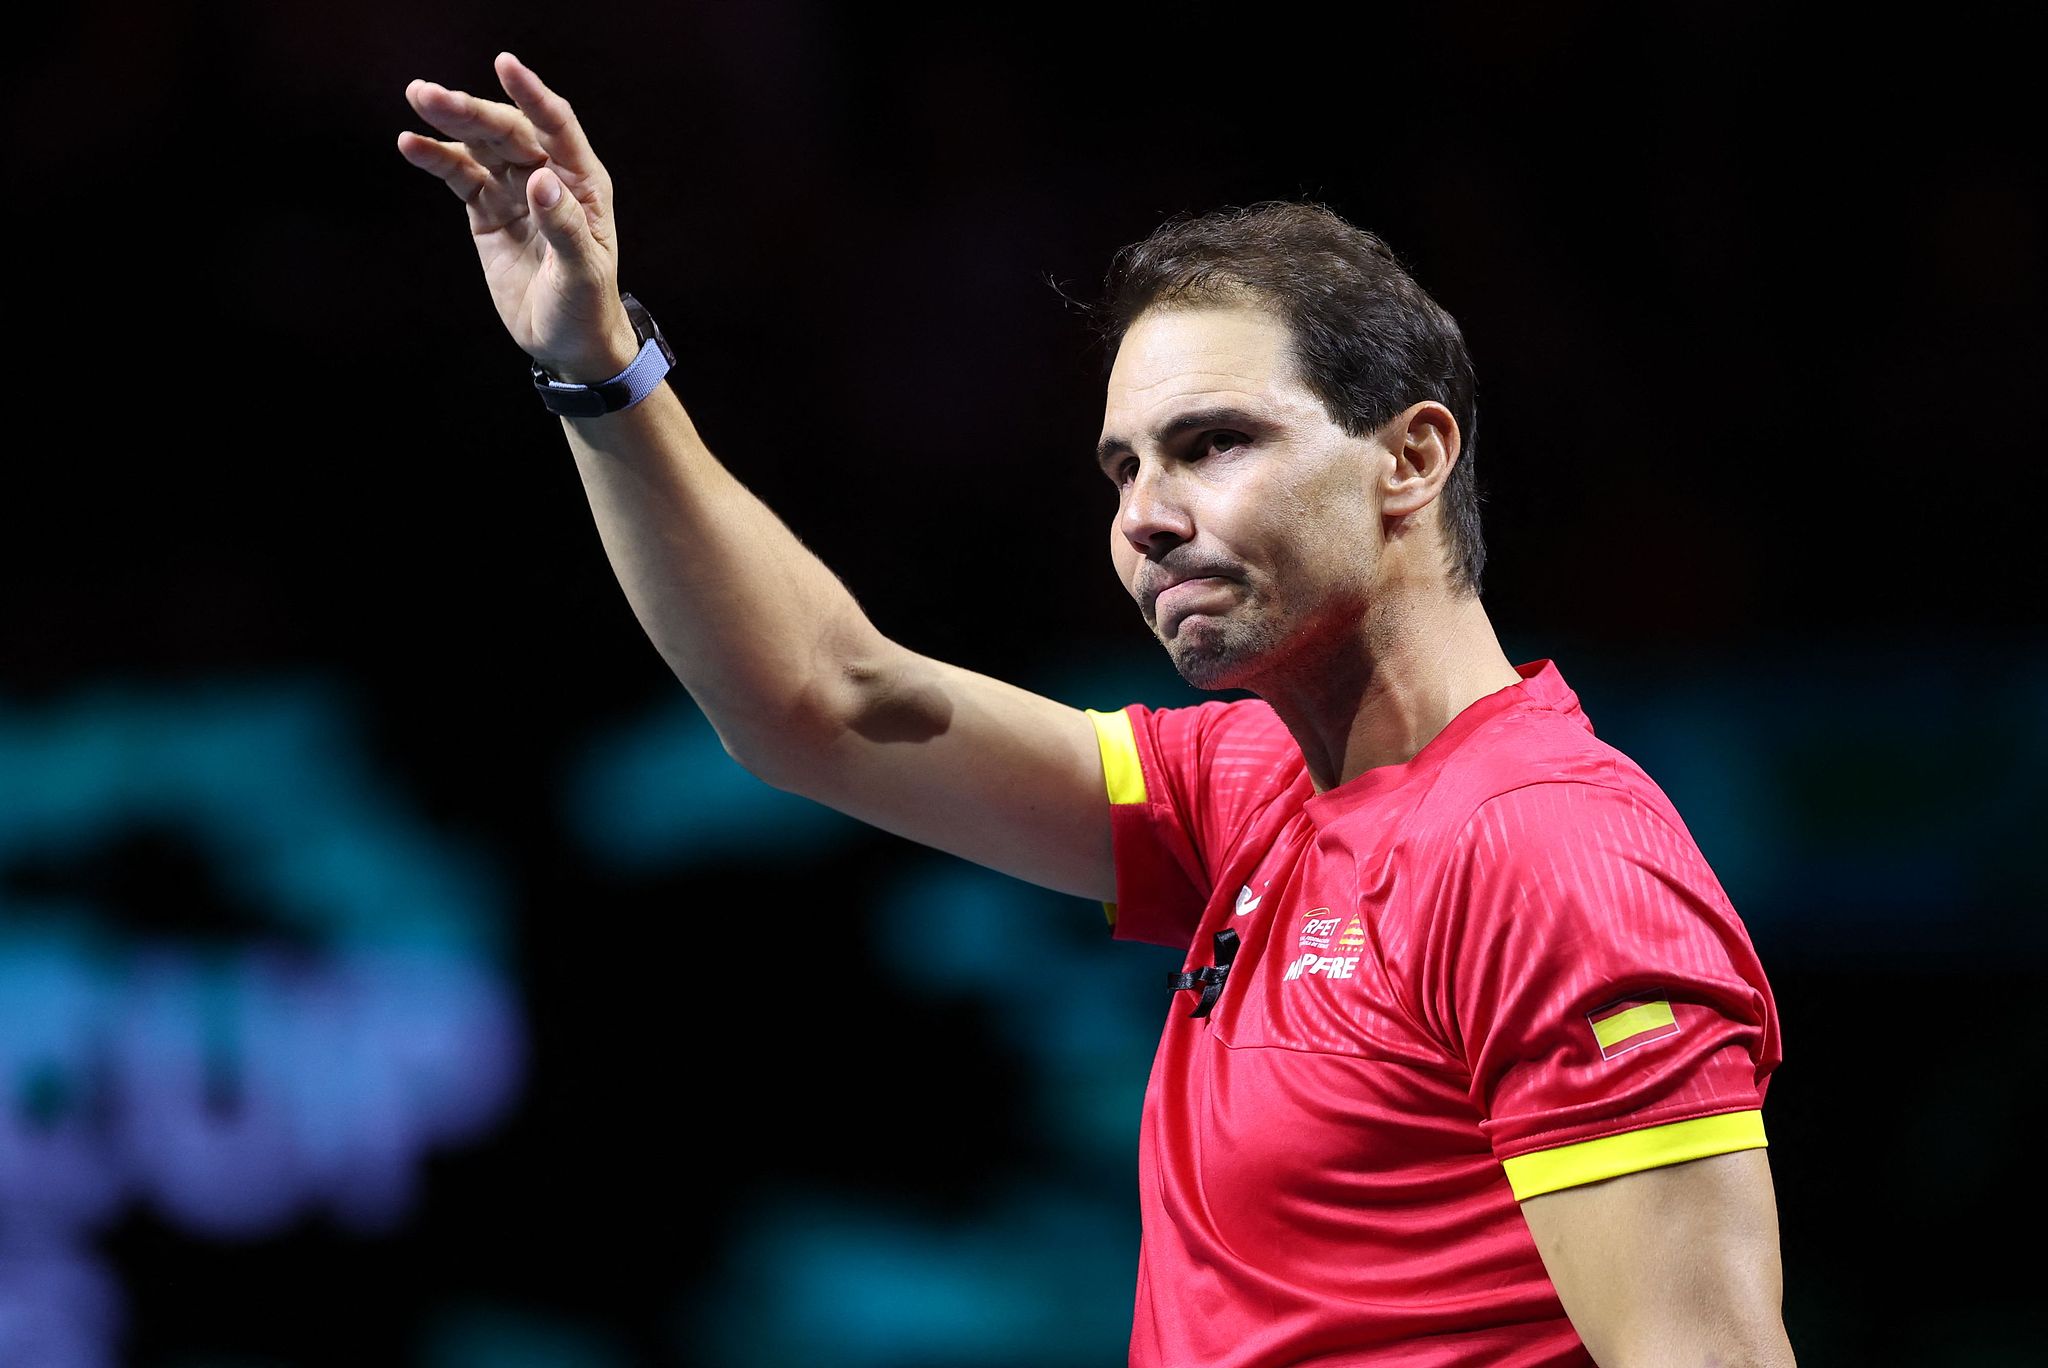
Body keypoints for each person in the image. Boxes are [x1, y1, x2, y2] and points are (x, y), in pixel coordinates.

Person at [398, 52, 1796, 1367]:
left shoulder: (1547, 860)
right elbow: (822, 705)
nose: (1147, 520)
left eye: (1213, 445)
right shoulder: (1254, 792)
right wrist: (597, 370)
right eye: (1123, 470)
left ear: (1411, 456)